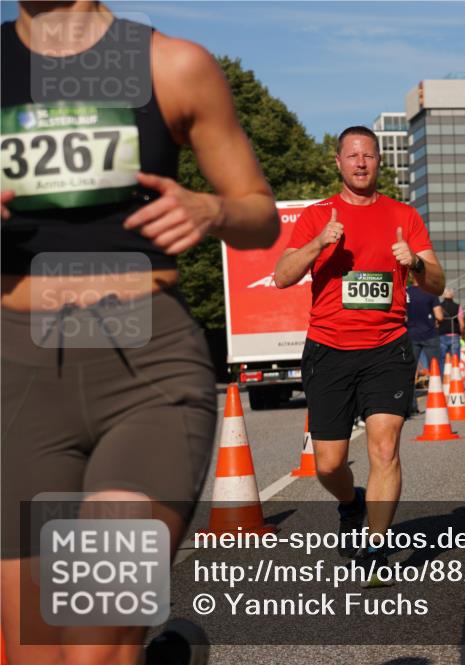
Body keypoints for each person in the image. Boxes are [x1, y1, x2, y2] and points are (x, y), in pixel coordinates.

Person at [1, 3, 279, 663]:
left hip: (146, 366)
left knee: (97, 634)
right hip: (15, 369)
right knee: (38, 650)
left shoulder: (172, 65)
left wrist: (212, 208)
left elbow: (261, 215)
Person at [275, 125, 445, 578]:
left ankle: (376, 547)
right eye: (352, 155)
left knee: (385, 449)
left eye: (368, 155)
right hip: (328, 349)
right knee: (329, 464)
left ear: (379, 161)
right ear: (338, 162)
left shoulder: (403, 215)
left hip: (387, 349)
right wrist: (318, 244)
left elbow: (437, 282)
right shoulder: (317, 215)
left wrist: (416, 262)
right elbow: (282, 275)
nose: (361, 162)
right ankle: (351, 503)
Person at [405, 275, 443, 413]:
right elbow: (439, 316)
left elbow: (403, 315)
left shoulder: (406, 292)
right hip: (430, 334)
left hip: (411, 335)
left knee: (410, 371)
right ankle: (438, 402)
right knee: (435, 369)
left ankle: (411, 405)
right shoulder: (430, 292)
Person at [438, 287, 464, 370]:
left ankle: (442, 376)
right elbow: (462, 324)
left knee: (442, 359)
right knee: (455, 358)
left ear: (443, 295)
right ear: (453, 295)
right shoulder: (458, 307)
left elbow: (436, 322)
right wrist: (461, 334)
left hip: (441, 335)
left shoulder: (439, 307)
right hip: (454, 335)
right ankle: (455, 376)